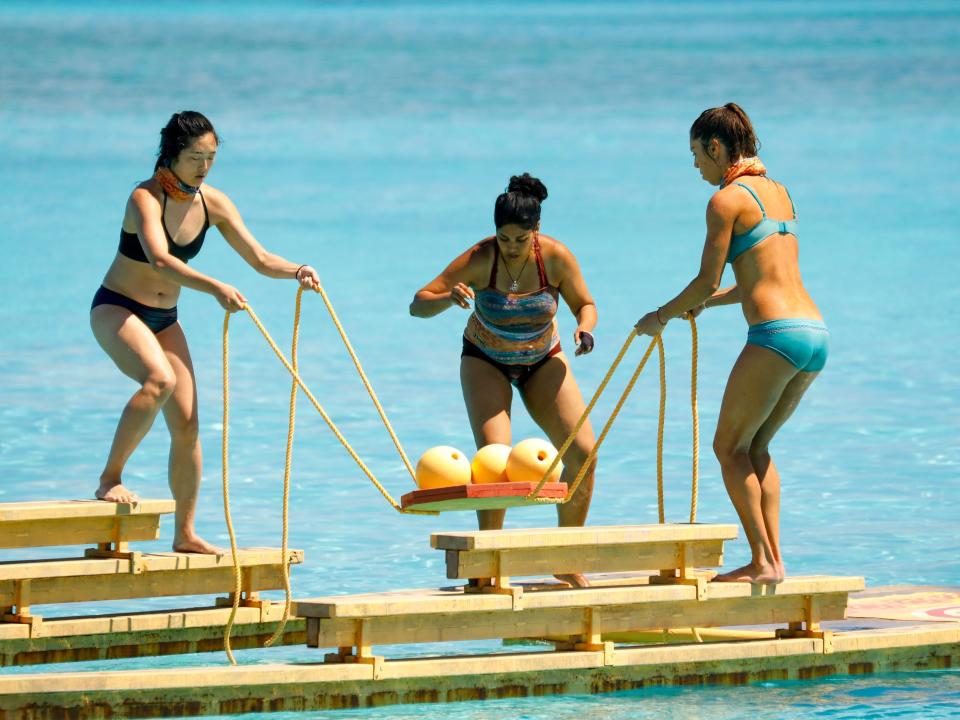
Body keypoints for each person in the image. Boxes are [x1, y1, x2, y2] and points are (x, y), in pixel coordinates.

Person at [90, 111, 320, 554]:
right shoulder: (145, 197)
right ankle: (109, 479)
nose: (204, 166)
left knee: (189, 425)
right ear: (172, 153)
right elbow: (159, 259)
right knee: (158, 381)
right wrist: (215, 287)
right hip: (118, 308)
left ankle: (185, 533)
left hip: (164, 319)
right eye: (196, 156)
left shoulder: (213, 202)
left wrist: (298, 271)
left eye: (211, 157)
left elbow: (259, 257)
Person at [633, 103, 827, 584]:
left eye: (697, 154)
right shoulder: (780, 194)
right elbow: (756, 281)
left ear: (715, 147)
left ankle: (762, 561)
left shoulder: (725, 201)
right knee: (756, 446)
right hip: (814, 334)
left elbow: (705, 279)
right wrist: (711, 306)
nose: (696, 166)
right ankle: (775, 562)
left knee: (727, 448)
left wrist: (660, 317)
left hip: (776, 336)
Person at [410, 174, 598, 586]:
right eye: (504, 238)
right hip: (486, 359)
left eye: (519, 238)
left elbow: (585, 303)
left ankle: (566, 557)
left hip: (542, 359)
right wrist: (447, 300)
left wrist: (585, 328)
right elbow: (417, 305)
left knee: (584, 452)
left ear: (537, 230)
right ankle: (488, 565)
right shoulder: (480, 257)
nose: (511, 246)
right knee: (495, 459)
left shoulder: (557, 258)